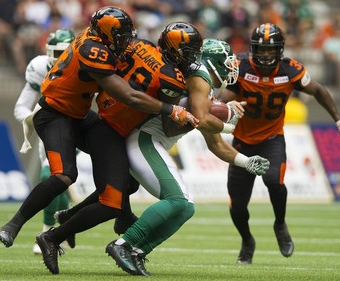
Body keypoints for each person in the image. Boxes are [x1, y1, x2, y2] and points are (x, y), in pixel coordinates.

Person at [0, 6, 198, 275]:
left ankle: (55, 234)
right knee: (64, 175)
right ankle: (14, 224)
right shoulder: (95, 50)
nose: (127, 41)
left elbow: (132, 62)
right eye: (121, 36)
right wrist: (172, 108)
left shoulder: (122, 45)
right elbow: (129, 95)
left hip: (88, 118)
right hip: (55, 114)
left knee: (115, 196)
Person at [105, 35, 270, 276]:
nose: (231, 67)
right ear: (214, 62)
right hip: (144, 139)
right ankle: (123, 244)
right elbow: (203, 120)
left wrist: (246, 161)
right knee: (178, 200)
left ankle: (138, 250)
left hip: (155, 142)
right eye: (227, 61)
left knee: (185, 207)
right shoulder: (200, 77)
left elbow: (215, 144)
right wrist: (227, 123)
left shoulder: (204, 88)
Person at [217, 23, 340, 265]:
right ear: (252, 49)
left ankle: (280, 224)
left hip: (272, 138)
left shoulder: (292, 70)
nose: (266, 55)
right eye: (262, 49)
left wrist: (338, 119)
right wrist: (225, 105)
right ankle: (247, 241)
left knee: (274, 181)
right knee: (237, 205)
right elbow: (224, 97)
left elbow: (319, 90)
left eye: (271, 50)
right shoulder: (241, 66)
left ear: (280, 50)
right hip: (242, 142)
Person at [13, 28, 76, 254]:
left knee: (56, 178)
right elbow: (21, 107)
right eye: (57, 52)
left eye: (65, 52)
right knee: (51, 178)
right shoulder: (39, 68)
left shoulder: (86, 66)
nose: (61, 58)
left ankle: (54, 230)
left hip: (79, 126)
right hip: (51, 129)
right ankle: (54, 228)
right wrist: (35, 119)